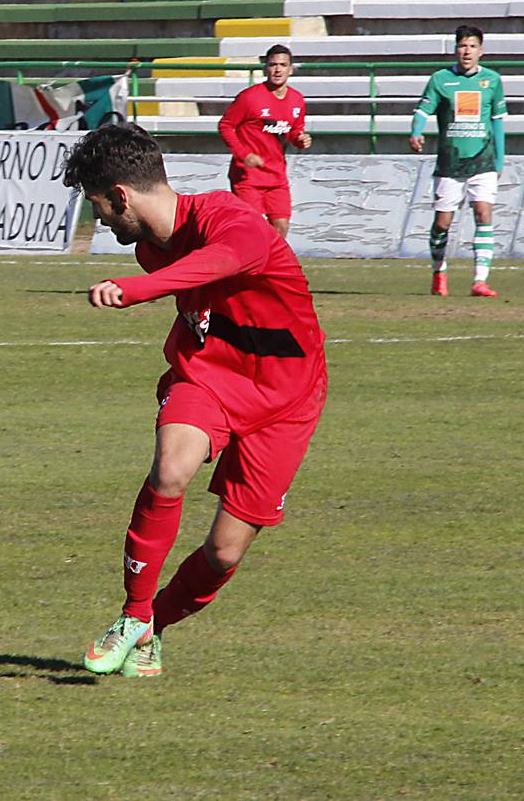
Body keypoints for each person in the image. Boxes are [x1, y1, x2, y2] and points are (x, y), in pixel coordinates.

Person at [62, 125, 327, 678]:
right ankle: (133, 615)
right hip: (207, 373)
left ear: (121, 195)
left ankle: (151, 629)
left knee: (225, 553)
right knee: (170, 469)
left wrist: (134, 292)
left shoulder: (231, 219)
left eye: (99, 208)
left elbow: (220, 261)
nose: (101, 221)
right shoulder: (147, 249)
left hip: (287, 395)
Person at [410, 25, 506, 298]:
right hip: (450, 162)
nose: (467, 51)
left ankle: (480, 280)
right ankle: (439, 270)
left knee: (483, 213)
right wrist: (416, 132)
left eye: (472, 46)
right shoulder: (441, 80)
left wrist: (499, 161)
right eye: (462, 46)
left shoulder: (493, 81)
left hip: (483, 161)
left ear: (481, 51)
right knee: (443, 222)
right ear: (456, 49)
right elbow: (422, 110)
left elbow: (498, 124)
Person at [217, 44, 311, 240]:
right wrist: (244, 155)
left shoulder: (297, 100)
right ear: (265, 68)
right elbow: (226, 126)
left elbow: (294, 131)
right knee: (252, 226)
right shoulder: (249, 97)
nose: (277, 70)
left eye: (283, 65)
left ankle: (266, 267)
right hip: (248, 176)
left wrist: (301, 140)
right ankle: (247, 265)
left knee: (281, 225)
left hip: (276, 175)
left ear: (290, 69)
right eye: (273, 64)